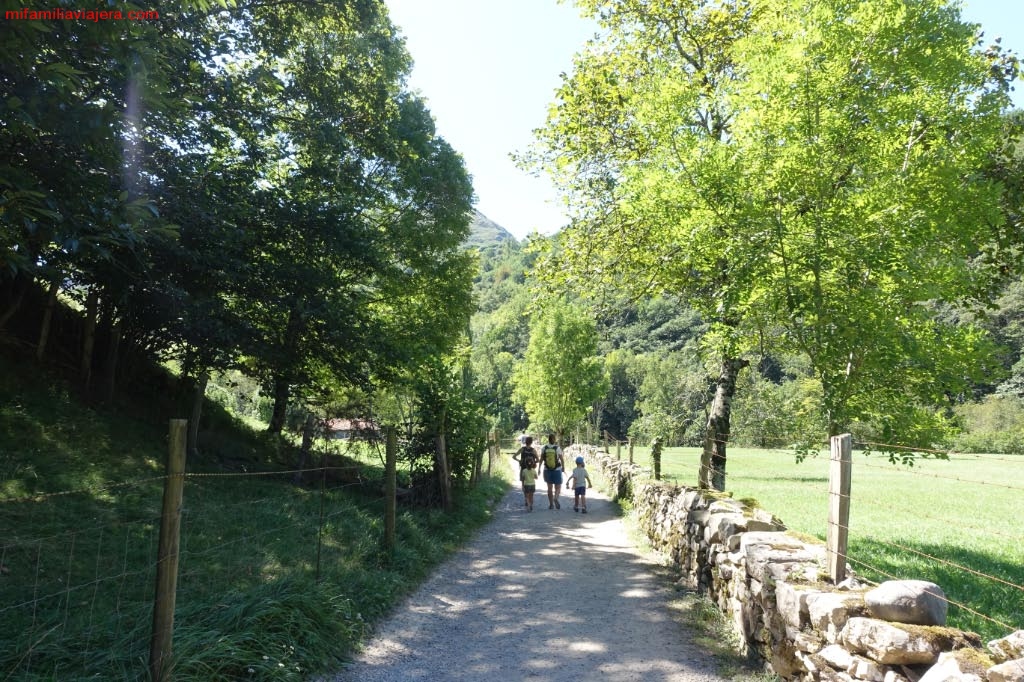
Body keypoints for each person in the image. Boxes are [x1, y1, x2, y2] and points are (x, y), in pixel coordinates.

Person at [513, 437, 540, 508]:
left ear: (525, 442)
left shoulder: (522, 449)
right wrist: (533, 462)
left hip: (523, 468)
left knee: (524, 484)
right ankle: (530, 501)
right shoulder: (533, 450)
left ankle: (526, 499)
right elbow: (538, 460)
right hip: (531, 469)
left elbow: (514, 456)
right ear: (531, 442)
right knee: (530, 482)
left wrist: (519, 461)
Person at [539, 434, 564, 510]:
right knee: (558, 487)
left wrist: (539, 468)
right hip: (557, 470)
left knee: (549, 488)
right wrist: (563, 467)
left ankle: (551, 505)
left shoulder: (544, 448)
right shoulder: (557, 448)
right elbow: (561, 459)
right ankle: (555, 498)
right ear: (554, 439)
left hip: (547, 469)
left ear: (548, 439)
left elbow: (541, 459)